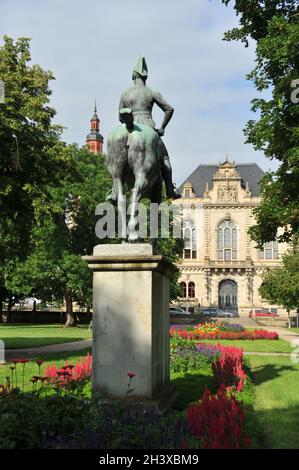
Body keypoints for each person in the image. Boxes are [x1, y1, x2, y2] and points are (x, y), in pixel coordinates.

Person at [118, 55, 181, 199]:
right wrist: (162, 127)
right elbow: (169, 109)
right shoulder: (151, 91)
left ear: (133, 75)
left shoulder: (124, 94)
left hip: (128, 130)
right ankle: (170, 188)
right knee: (166, 162)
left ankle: (114, 189)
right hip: (148, 128)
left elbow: (120, 117)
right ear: (145, 76)